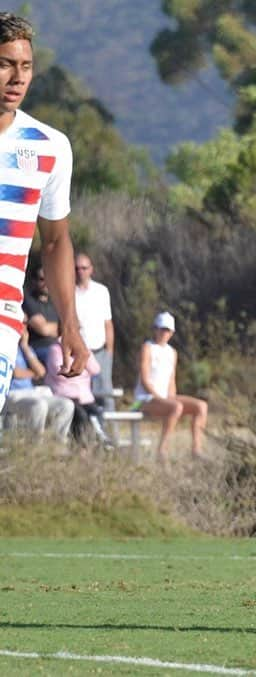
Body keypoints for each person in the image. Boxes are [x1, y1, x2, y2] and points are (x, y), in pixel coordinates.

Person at [0, 12, 89, 418]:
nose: (17, 77)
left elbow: (55, 242)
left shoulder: (50, 146)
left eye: (26, 66)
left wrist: (69, 322)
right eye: (4, 64)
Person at [133, 311, 207, 464]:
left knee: (201, 406)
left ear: (172, 332)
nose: (163, 333)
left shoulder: (172, 352)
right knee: (176, 407)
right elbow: (145, 379)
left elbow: (171, 380)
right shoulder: (147, 348)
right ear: (155, 329)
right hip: (143, 399)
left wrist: (170, 397)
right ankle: (162, 450)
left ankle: (196, 450)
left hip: (165, 399)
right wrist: (160, 398)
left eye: (166, 330)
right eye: (160, 329)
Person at [3, 327, 74, 442]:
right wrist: (32, 373)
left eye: (24, 326)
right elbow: (16, 373)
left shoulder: (25, 348)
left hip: (31, 392)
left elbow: (41, 372)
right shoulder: (4, 348)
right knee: (39, 405)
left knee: (66, 405)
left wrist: (25, 346)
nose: (23, 330)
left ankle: (56, 443)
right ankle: (36, 444)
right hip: (11, 394)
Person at [44, 336, 109, 446]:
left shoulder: (84, 350)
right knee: (80, 415)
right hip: (64, 395)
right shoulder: (56, 349)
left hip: (85, 397)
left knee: (96, 411)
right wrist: (81, 369)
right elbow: (60, 373)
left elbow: (95, 369)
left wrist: (83, 353)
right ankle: (79, 446)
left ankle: (100, 441)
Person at [74, 252, 115, 412]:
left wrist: (109, 352)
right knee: (80, 393)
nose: (80, 272)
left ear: (91, 269)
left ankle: (111, 431)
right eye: (77, 268)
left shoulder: (101, 291)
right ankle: (85, 432)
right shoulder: (69, 292)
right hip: (78, 353)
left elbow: (108, 323)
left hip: (99, 351)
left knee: (104, 392)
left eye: (84, 268)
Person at [22, 265, 60, 366]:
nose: (46, 283)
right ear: (34, 281)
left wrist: (61, 328)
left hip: (57, 347)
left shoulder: (56, 300)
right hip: (38, 348)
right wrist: (59, 328)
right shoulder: (28, 299)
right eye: (42, 279)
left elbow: (72, 326)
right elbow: (43, 329)